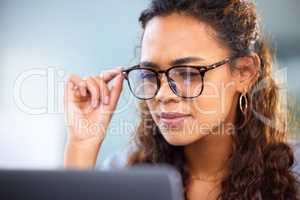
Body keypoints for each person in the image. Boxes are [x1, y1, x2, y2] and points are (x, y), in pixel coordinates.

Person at [63, 0, 300, 199]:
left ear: (244, 73)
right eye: (149, 74)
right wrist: (81, 147)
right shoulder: (124, 172)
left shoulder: (294, 173)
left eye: (187, 73)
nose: (162, 94)